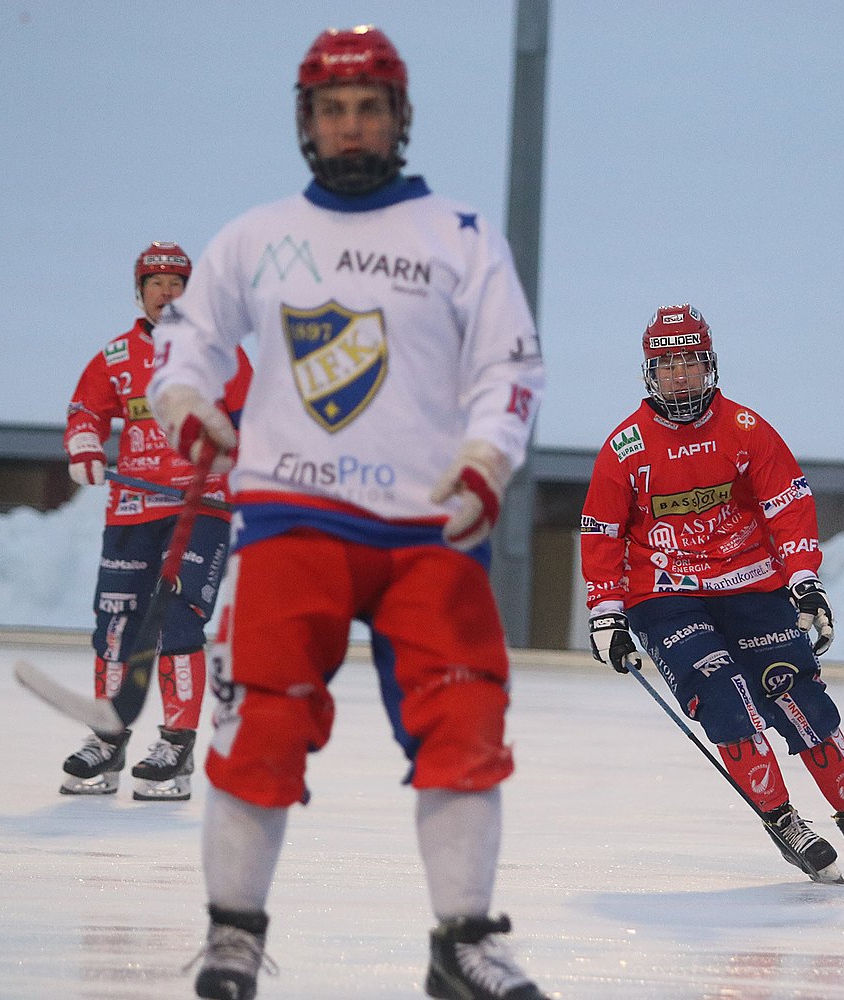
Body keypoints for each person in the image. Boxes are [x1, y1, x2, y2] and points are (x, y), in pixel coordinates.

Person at [145, 25, 548, 1000]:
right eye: (333, 109)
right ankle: (233, 936)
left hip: (429, 529)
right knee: (259, 724)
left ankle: (463, 942)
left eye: (370, 107)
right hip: (292, 518)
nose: (352, 126)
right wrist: (184, 403)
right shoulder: (252, 236)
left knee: (466, 722)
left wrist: (490, 457)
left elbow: (511, 365)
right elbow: (188, 346)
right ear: (307, 122)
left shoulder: (459, 234)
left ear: (400, 118)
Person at [580, 304, 844, 885]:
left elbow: (788, 504)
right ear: (648, 373)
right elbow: (602, 533)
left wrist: (805, 580)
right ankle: (785, 823)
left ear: (709, 365)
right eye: (667, 365)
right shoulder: (624, 449)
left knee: (797, 695)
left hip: (750, 582)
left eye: (690, 362)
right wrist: (606, 614)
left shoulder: (745, 430)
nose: (679, 376)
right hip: (664, 594)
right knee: (725, 701)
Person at [59, 241, 251, 801]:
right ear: (139, 291)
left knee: (177, 623)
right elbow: (86, 409)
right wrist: (86, 445)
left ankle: (176, 746)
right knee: (115, 622)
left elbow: (254, 420)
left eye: (177, 283)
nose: (166, 292)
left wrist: (237, 457)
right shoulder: (117, 356)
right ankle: (107, 737)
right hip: (133, 508)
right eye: (156, 283)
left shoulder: (220, 354)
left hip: (202, 507)